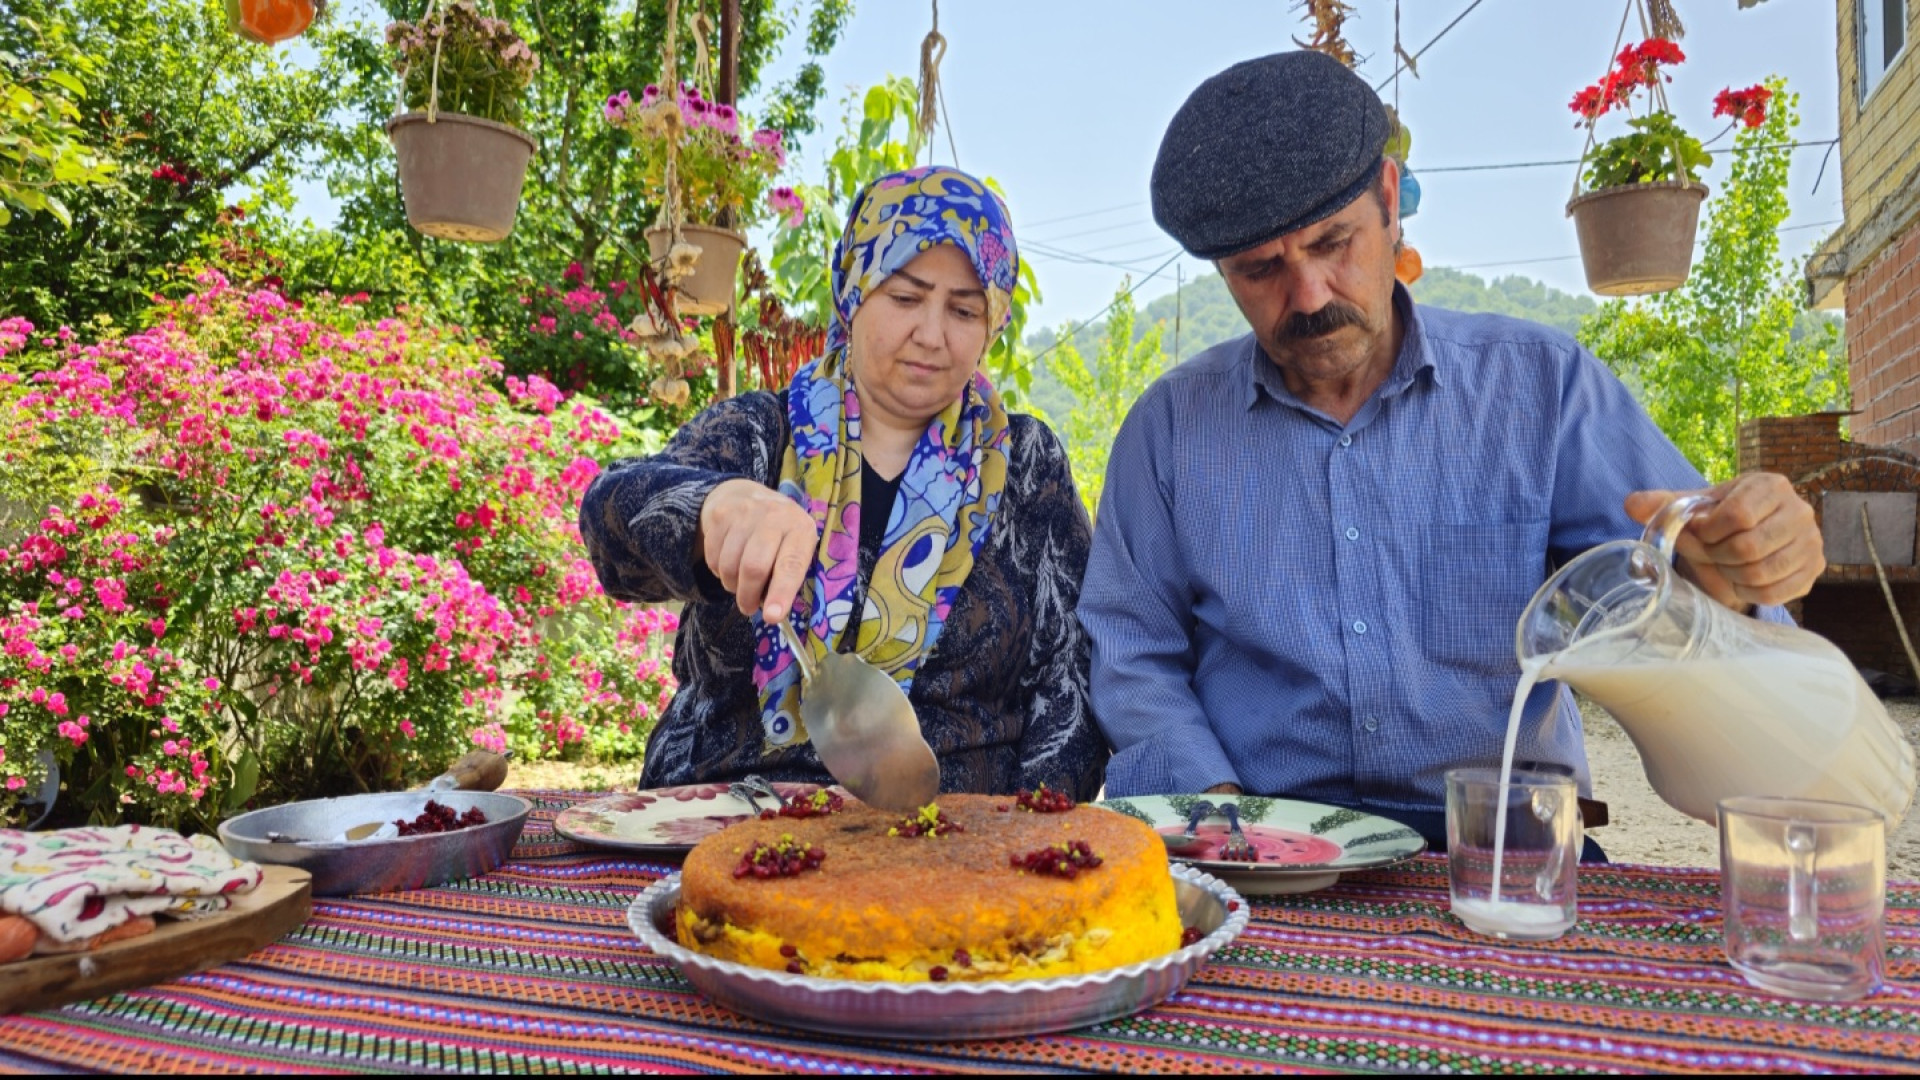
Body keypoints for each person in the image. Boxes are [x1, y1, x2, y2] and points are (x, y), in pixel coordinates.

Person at [1077, 51, 1825, 856]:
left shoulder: (1541, 388)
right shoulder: (1170, 429)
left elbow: (1672, 579)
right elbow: (1131, 649)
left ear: (1390, 201)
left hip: (1506, 846)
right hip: (1264, 838)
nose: (1309, 296)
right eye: (1260, 270)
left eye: (1334, 242)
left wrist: (1737, 574)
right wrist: (1217, 816)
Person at [579, 165, 1106, 801]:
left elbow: (1071, 675)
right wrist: (712, 508)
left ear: (992, 324)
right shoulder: (761, 433)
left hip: (952, 842)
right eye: (905, 298)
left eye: (964, 310)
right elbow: (612, 529)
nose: (931, 335)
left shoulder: (1026, 463)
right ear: (853, 291)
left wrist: (1027, 836)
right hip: (728, 815)